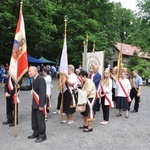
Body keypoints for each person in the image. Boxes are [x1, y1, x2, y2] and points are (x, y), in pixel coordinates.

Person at [27, 66, 47, 143]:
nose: (29, 73)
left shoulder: (40, 79)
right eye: (28, 71)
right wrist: (19, 87)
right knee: (34, 119)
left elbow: (42, 93)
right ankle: (36, 133)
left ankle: (42, 135)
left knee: (40, 120)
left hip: (39, 103)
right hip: (34, 102)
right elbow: (30, 87)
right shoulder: (34, 79)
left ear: (36, 71)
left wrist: (41, 105)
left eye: (30, 71)